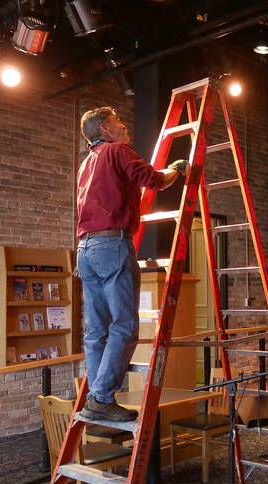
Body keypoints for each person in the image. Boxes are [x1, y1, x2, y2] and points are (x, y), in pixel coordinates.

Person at [76, 106, 188, 422]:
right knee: (124, 327)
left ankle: (99, 398)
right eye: (117, 122)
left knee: (96, 330)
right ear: (105, 130)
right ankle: (100, 398)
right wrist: (176, 170)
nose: (124, 125)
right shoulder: (117, 150)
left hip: (86, 248)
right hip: (112, 244)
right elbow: (154, 180)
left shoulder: (86, 164)